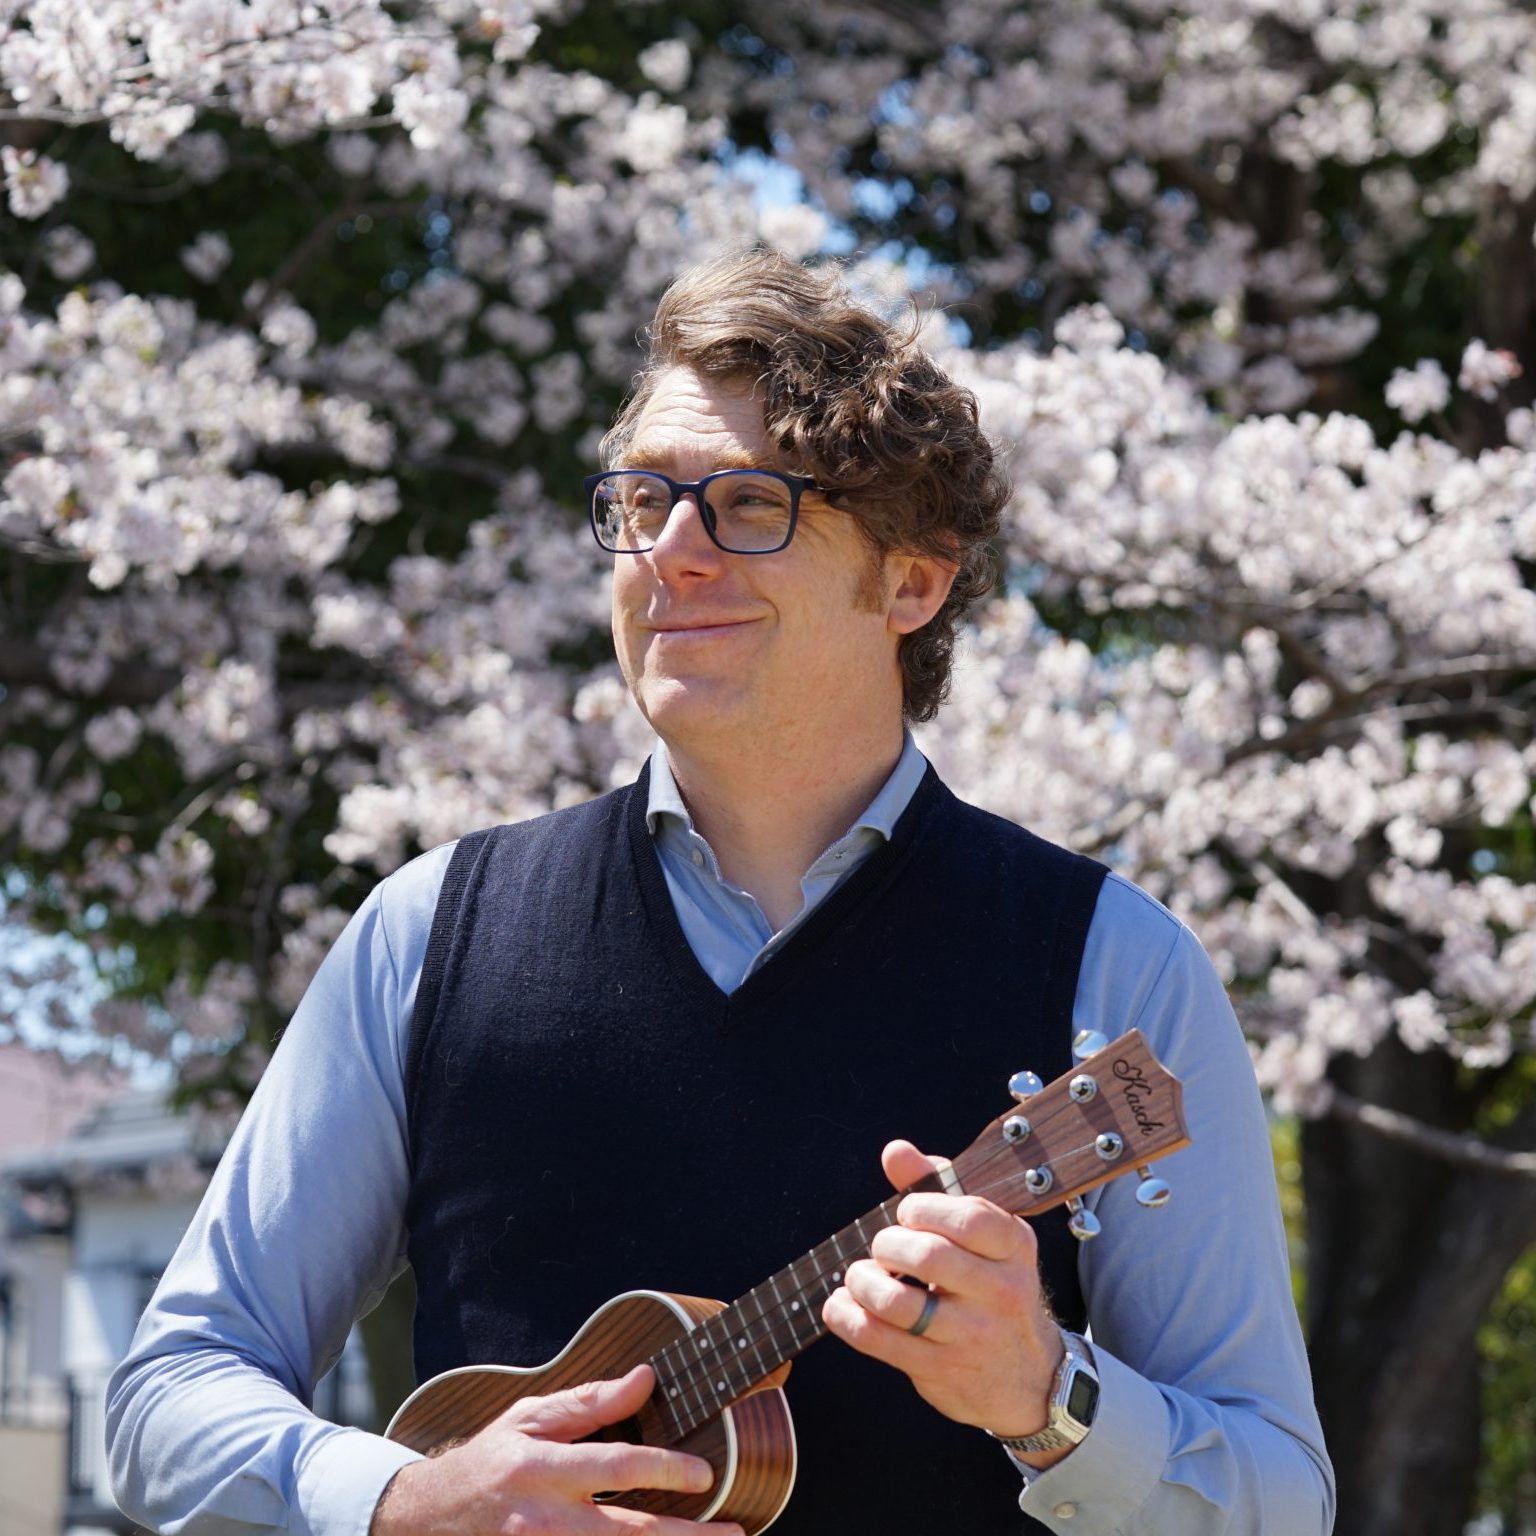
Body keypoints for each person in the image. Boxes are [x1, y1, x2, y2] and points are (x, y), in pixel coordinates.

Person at [107, 250, 1335, 1536]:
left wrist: (1049, 1397)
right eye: (642, 500)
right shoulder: (430, 935)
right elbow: (166, 1399)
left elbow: (1279, 1499)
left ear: (913, 579)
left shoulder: (1113, 966)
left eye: (750, 504)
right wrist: (408, 1497)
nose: (672, 553)